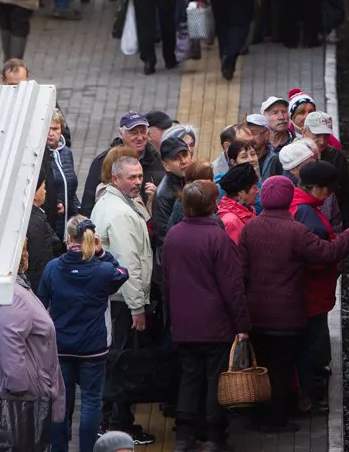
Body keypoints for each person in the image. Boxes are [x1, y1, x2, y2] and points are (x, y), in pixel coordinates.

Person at [237, 177, 349, 430]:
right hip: (287, 315)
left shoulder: (250, 228)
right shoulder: (296, 231)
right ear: (286, 199)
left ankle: (259, 418)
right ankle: (276, 421)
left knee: (261, 366)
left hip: (256, 313)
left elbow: (242, 271)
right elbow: (327, 253)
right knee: (282, 368)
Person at [163, 181, 250, 452]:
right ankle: (215, 438)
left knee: (189, 378)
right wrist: (242, 325)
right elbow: (232, 286)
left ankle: (184, 437)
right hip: (215, 325)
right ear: (212, 206)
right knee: (215, 379)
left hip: (184, 324)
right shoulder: (219, 238)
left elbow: (166, 281)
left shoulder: (173, 236)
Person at [39, 216, 130, 452]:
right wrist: (101, 253)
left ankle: (60, 448)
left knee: (61, 401)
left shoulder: (53, 268)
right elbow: (122, 272)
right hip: (93, 348)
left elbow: (41, 305)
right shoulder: (103, 271)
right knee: (90, 401)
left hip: (62, 347)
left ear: (69, 238)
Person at [88, 157, 154, 445]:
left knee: (113, 361)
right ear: (116, 179)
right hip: (122, 301)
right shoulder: (122, 214)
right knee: (123, 363)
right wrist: (137, 306)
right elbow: (129, 264)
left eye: (139, 176)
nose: (137, 181)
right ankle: (121, 425)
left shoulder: (107, 203)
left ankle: (108, 420)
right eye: (131, 177)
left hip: (111, 299)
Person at [0, 242, 65, 447]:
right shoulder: (16, 296)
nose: (28, 255)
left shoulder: (11, 289)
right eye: (24, 251)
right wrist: (19, 387)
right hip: (21, 397)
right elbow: (10, 340)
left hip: (19, 390)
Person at [290, 161, 346, 412]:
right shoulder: (308, 216)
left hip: (308, 294)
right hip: (313, 295)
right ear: (321, 189)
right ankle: (309, 397)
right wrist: (347, 239)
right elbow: (316, 259)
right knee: (311, 346)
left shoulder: (298, 204)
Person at [81, 112, 167, 215]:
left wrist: (157, 196)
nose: (140, 137)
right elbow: (88, 203)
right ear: (121, 134)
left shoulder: (159, 160)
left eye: (143, 132)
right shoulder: (104, 161)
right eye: (134, 133)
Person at [303, 111, 349, 226]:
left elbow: (344, 196)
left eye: (326, 136)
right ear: (304, 132)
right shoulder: (291, 155)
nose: (323, 141)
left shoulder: (337, 157)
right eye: (317, 135)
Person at [26, 174, 62, 292]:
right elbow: (41, 260)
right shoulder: (37, 223)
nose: (45, 191)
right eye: (43, 187)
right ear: (34, 194)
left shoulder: (35, 215)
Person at [46, 108, 79, 236]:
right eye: (47, 129)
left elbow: (71, 186)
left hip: (69, 224)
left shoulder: (66, 153)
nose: (51, 133)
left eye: (55, 129)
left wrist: (78, 209)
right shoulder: (39, 155)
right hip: (51, 226)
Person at [152, 134, 193, 236]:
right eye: (176, 158)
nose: (183, 161)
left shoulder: (194, 177)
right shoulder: (163, 195)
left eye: (184, 155)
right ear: (166, 166)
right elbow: (165, 236)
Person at [216, 163, 259, 243]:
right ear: (241, 193)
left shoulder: (248, 210)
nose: (258, 191)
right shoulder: (230, 222)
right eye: (254, 187)